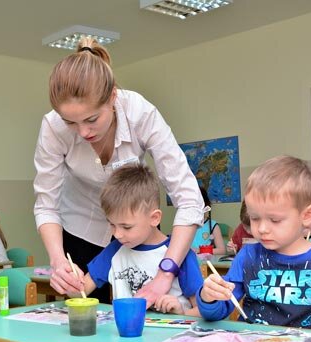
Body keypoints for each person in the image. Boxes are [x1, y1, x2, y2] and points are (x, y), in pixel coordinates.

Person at [34, 37, 204, 305]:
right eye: (71, 122)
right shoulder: (53, 127)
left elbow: (189, 199)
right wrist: (57, 261)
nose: (83, 132)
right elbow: (46, 205)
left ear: (112, 96)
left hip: (138, 227)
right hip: (80, 228)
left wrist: (165, 273)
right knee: (89, 316)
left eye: (92, 119)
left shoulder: (139, 113)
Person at [197, 155, 311, 335]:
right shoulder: (248, 256)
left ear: (307, 215)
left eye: (275, 220)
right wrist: (209, 297)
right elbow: (217, 312)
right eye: (254, 218)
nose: (261, 229)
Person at [68, 164, 203, 317]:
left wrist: (182, 313)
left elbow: (202, 311)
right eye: (112, 224)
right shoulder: (114, 250)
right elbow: (81, 292)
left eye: (126, 227)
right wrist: (71, 282)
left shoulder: (180, 254)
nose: (117, 234)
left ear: (154, 218)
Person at [191, 186, 226, 255]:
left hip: (206, 263)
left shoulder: (213, 226)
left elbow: (221, 250)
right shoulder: (185, 226)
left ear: (206, 205)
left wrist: (200, 250)